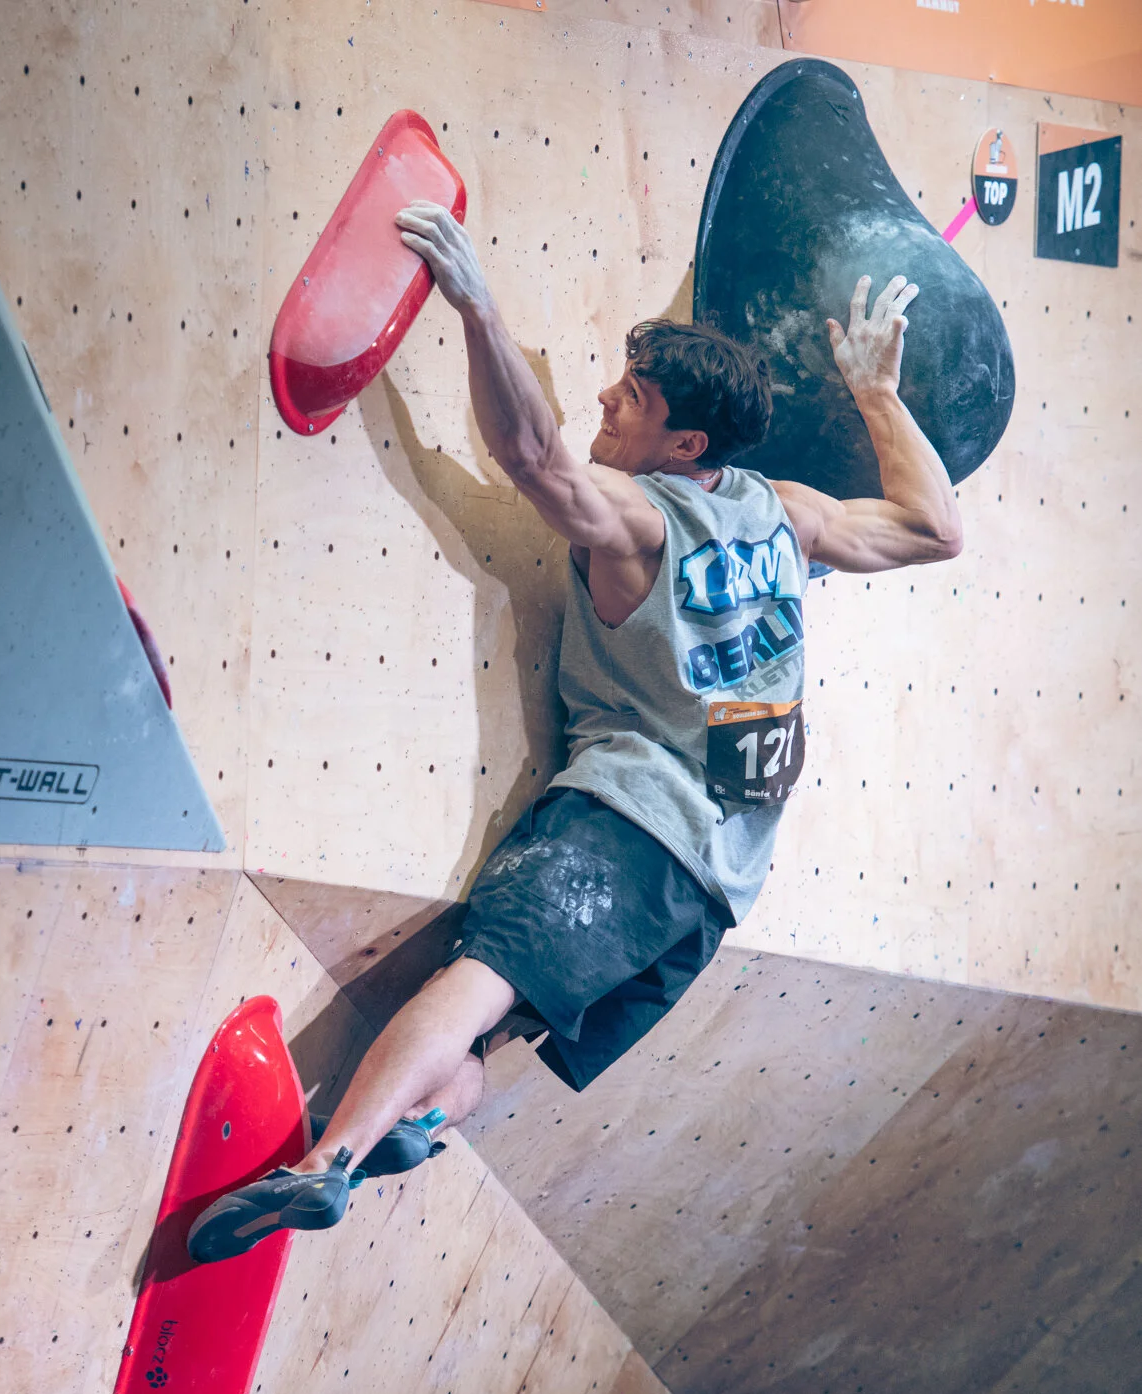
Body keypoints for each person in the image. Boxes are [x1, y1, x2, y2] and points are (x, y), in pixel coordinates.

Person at [188, 203, 961, 1262]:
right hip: (714, 887)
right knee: (496, 1040)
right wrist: (876, 391)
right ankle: (415, 1126)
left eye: (631, 397)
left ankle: (325, 1164)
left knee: (474, 983)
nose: (604, 397)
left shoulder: (644, 519)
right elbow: (933, 527)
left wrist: (476, 307)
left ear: (681, 444)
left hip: (628, 824)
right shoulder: (787, 515)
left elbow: (531, 458)